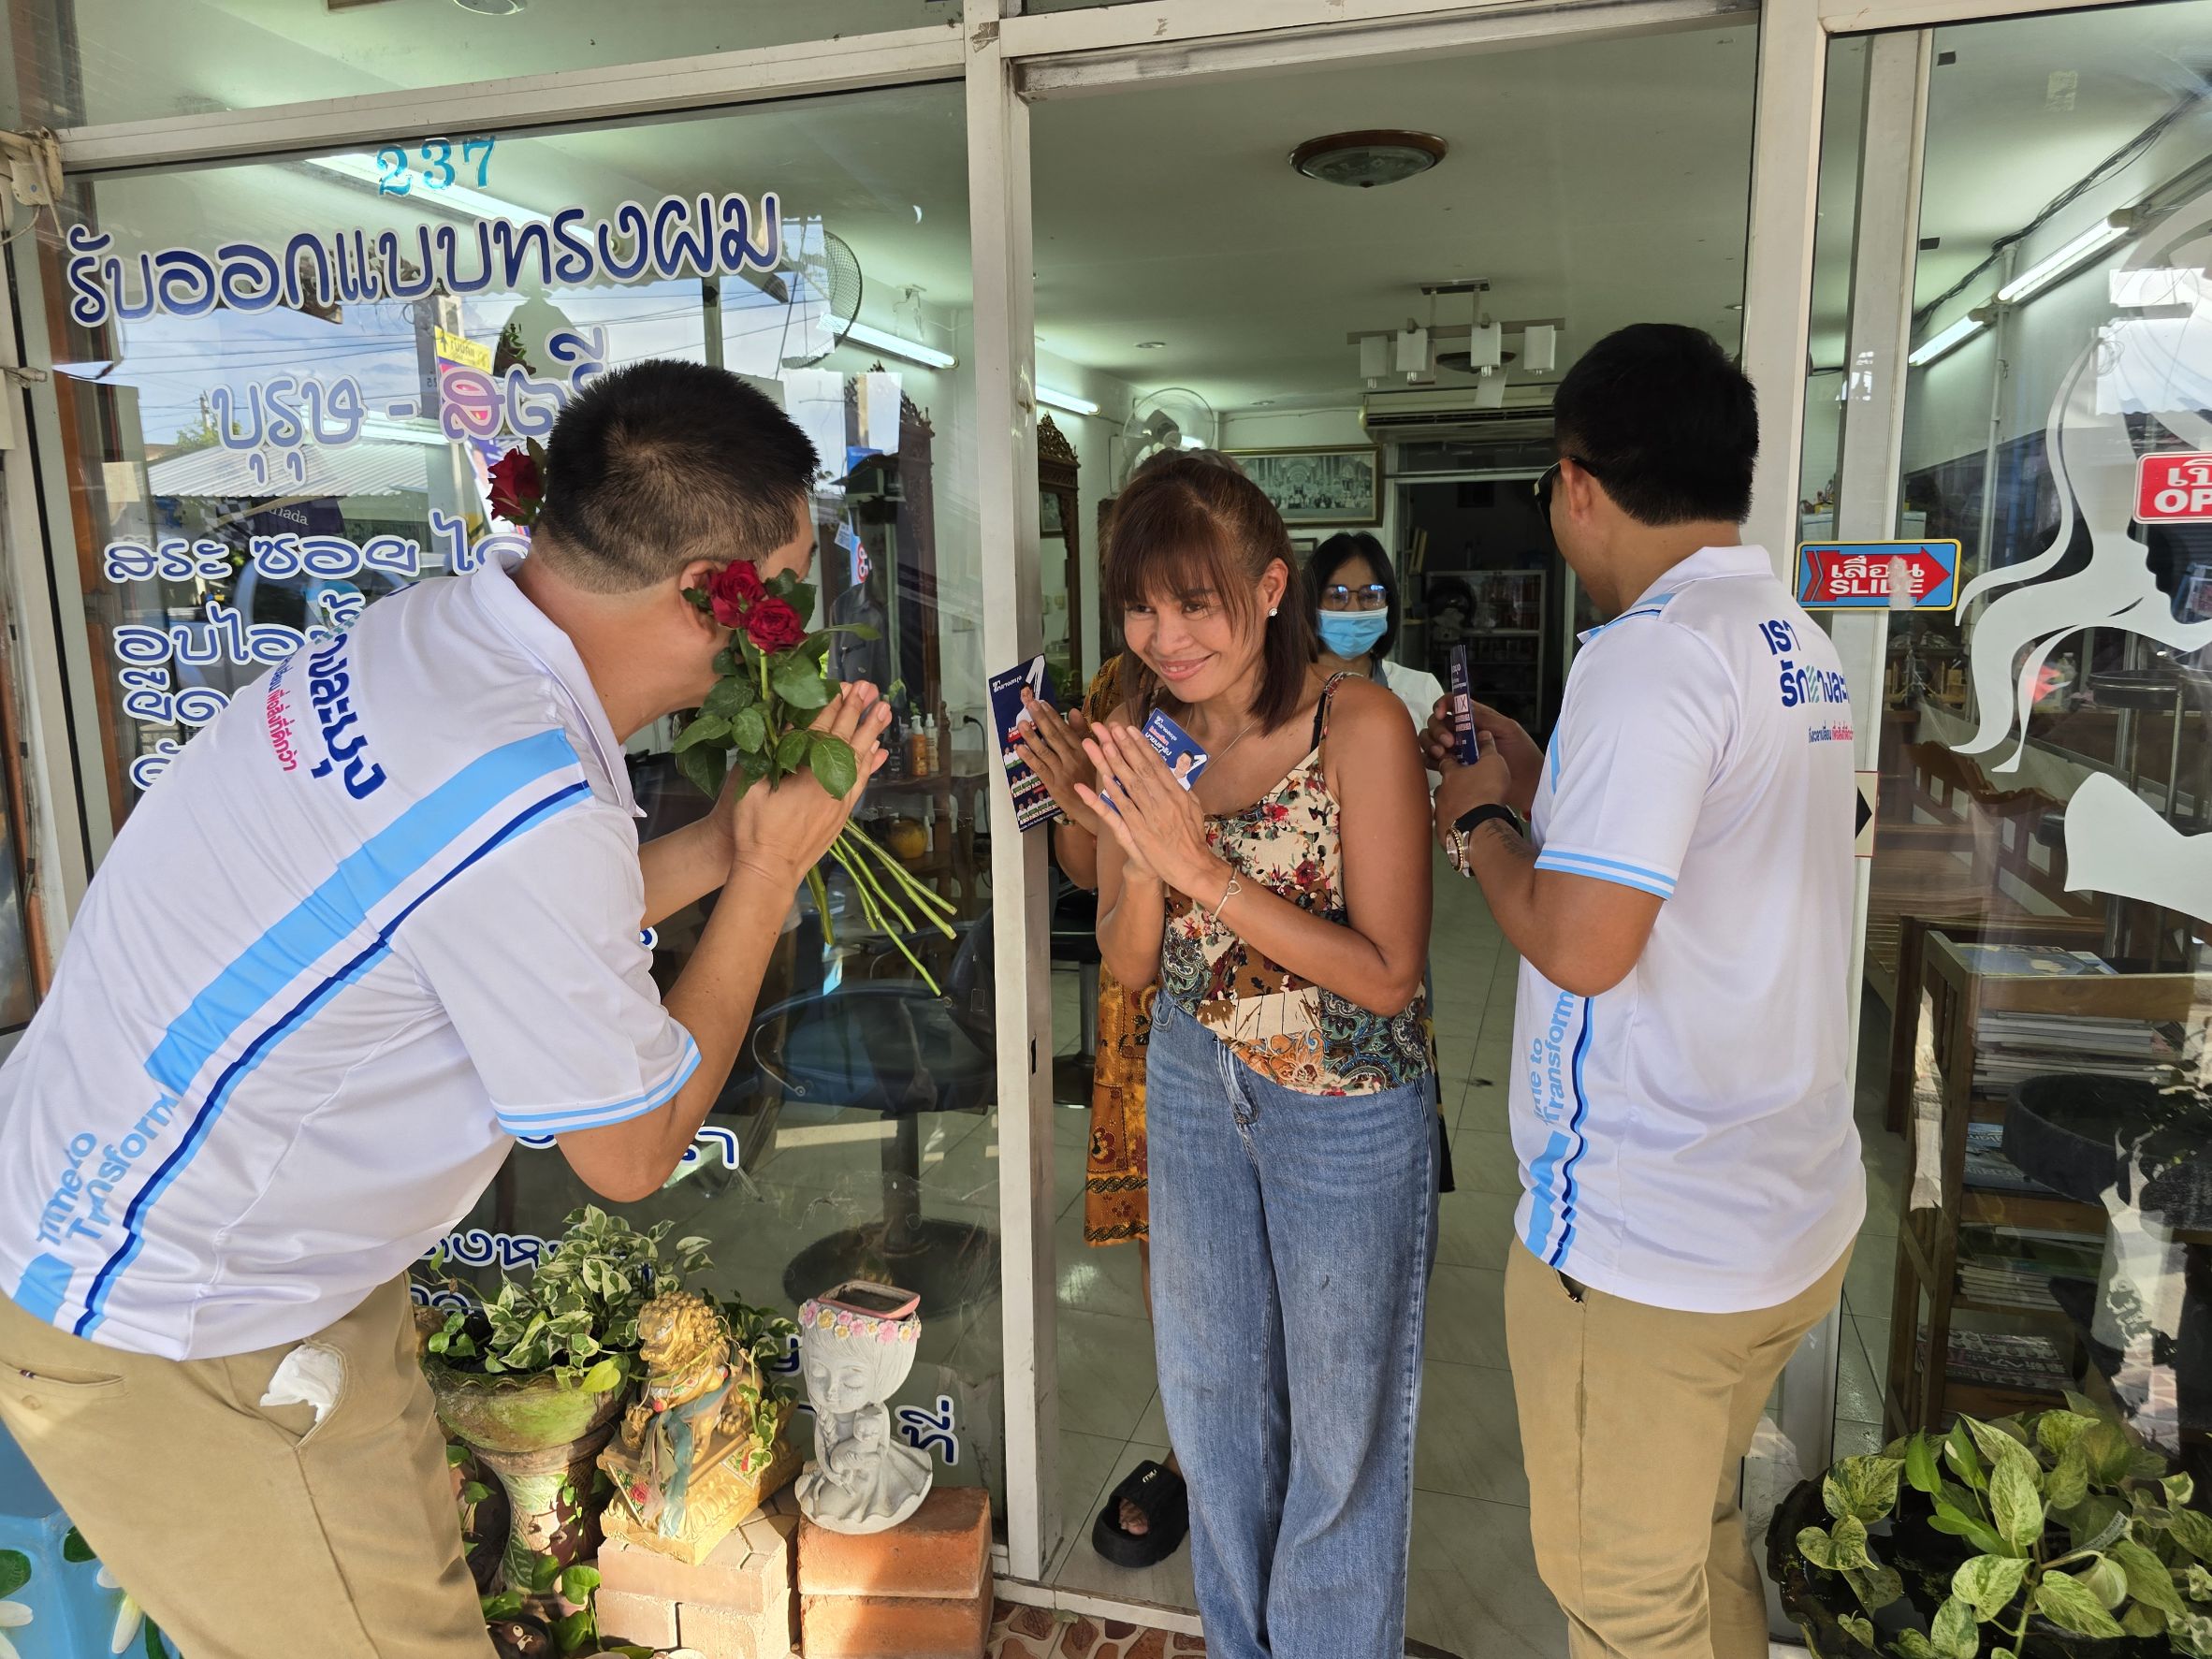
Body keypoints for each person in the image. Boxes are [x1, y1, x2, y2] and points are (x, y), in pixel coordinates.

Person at [0, 360, 891, 1659]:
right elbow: (630, 1151)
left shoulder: (439, 639)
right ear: (712, 592)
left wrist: (719, 845)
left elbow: (486, 917)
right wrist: (765, 877)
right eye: (790, 587)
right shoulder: (526, 792)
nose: (793, 632)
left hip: (209, 1255)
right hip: (183, 1321)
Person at [1425, 324, 1861, 1659]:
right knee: (1696, 1541)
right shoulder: (1791, 640)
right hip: (1784, 1218)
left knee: (1621, 1601)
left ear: (1576, 483)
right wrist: (1542, 770)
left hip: (1651, 1251)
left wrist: (1480, 823)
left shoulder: (1648, 652)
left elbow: (1583, 946)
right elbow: (1712, 853)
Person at [1080, 454, 1437, 1659]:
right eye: (1141, 606)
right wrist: (1139, 857)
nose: (1164, 636)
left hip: (1345, 1102)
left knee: (1342, 1420)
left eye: (1195, 603)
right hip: (1194, 1075)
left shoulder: (1358, 722)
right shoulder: (1145, 731)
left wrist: (1202, 870)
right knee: (1212, 1394)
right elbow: (1130, 959)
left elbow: (1387, 973)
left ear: (1272, 588)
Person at [1307, 531, 1444, 739]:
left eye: (1370, 595)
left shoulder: (1422, 689)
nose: (1353, 609)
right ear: (1310, 602)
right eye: (1336, 595)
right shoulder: (1282, 693)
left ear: (1389, 603)